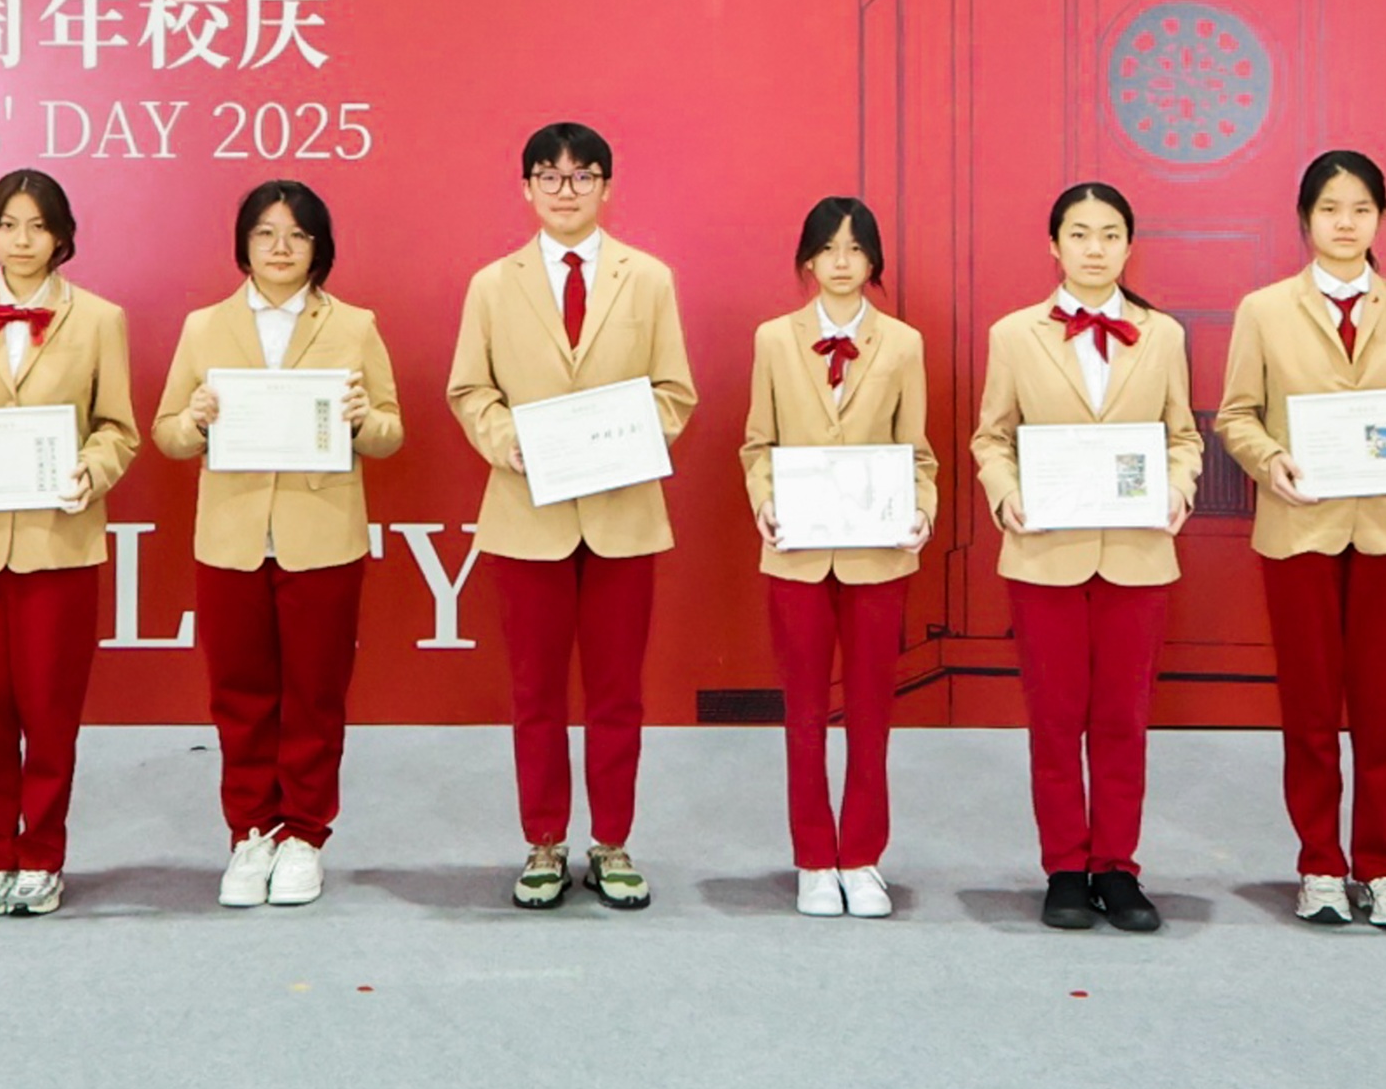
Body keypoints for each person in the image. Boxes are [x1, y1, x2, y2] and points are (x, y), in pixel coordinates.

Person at [443, 121, 700, 913]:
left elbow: (674, 393)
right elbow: (469, 390)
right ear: (526, 188)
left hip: (623, 513)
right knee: (536, 691)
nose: (566, 190)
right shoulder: (493, 284)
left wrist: (628, 440)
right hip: (528, 512)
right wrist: (506, 441)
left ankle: (612, 841)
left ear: (605, 188)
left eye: (582, 176)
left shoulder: (647, 279)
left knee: (618, 692)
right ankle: (544, 842)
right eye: (549, 177)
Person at [1207, 150, 1386, 933]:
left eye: (1360, 209)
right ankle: (1319, 863)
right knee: (1310, 709)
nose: (1345, 223)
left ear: (1381, 218)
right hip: (1301, 527)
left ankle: (1384, 867)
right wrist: (1268, 460)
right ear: (1304, 220)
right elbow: (1236, 415)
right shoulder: (1264, 310)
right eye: (1329, 209)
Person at [154, 180, 403, 910]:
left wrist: (361, 419)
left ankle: (304, 835)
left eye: (297, 234)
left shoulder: (354, 325)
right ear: (244, 244)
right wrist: (195, 420)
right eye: (265, 233)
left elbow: (392, 432)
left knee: (315, 696)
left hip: (320, 533)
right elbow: (166, 434)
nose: (281, 248)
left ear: (319, 247)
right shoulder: (205, 327)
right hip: (231, 535)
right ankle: (250, 831)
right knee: (238, 695)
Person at [971, 180, 1200, 934]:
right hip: (1046, 553)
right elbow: (991, 437)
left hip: (1137, 553)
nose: (1094, 248)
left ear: (1129, 245)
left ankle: (1117, 867)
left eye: (1109, 234)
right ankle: (1065, 868)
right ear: (1053, 244)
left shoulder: (1162, 335)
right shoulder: (1014, 334)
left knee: (1124, 718)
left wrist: (1179, 487)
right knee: (1054, 717)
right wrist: (1006, 493)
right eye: (1079, 233)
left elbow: (1182, 436)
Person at [0, 169, 144, 919]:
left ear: (61, 237)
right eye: (8, 225)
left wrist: (92, 469)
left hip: (59, 543)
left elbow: (118, 428)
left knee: (50, 711)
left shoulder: (100, 319)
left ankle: (42, 854)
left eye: (37, 226)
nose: (21, 241)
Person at [734, 195, 937, 919]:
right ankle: (815, 858)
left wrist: (921, 511)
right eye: (828, 249)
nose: (842, 262)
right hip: (796, 554)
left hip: (877, 556)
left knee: (873, 712)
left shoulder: (903, 344)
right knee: (804, 713)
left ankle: (863, 856)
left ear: (873, 259)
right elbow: (757, 444)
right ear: (808, 260)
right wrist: (764, 499)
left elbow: (918, 453)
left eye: (855, 249)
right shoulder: (773, 339)